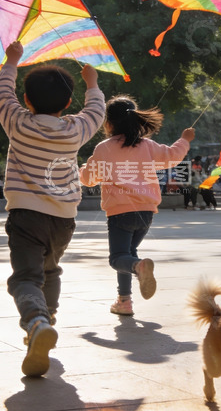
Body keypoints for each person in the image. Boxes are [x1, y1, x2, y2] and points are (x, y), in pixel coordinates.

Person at [0, 40, 104, 377]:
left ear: (26, 100)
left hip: (25, 215)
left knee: (25, 277)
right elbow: (96, 112)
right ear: (68, 103)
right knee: (51, 270)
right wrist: (93, 84)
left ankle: (37, 321)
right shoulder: (75, 130)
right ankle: (46, 320)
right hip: (63, 218)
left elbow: (1, 92)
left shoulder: (18, 123)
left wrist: (12, 61)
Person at [80, 95, 193, 316]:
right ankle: (124, 301)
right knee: (128, 253)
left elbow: (89, 179)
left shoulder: (104, 148)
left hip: (120, 213)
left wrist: (82, 169)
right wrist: (185, 140)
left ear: (109, 123)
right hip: (146, 213)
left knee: (118, 258)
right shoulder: (148, 146)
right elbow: (172, 157)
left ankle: (137, 268)